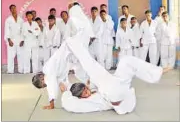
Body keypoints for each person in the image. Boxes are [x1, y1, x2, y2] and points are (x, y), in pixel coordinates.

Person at [32, 32, 164, 114]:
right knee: (90, 66)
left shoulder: (49, 72)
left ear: (42, 80)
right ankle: (79, 38)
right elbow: (67, 97)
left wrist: (52, 101)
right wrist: (66, 92)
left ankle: (156, 72)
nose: (87, 93)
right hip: (115, 97)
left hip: (118, 86)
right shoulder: (85, 102)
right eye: (84, 94)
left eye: (85, 90)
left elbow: (55, 84)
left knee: (124, 62)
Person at [4, 4, 24, 74]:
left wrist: (22, 40)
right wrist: (9, 40)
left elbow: (22, 30)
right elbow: (7, 30)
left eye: (14, 8)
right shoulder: (8, 20)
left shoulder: (21, 19)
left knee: (20, 56)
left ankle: (21, 70)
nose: (13, 9)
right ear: (10, 10)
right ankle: (10, 70)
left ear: (16, 9)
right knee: (10, 56)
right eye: (12, 8)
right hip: (11, 40)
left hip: (19, 40)